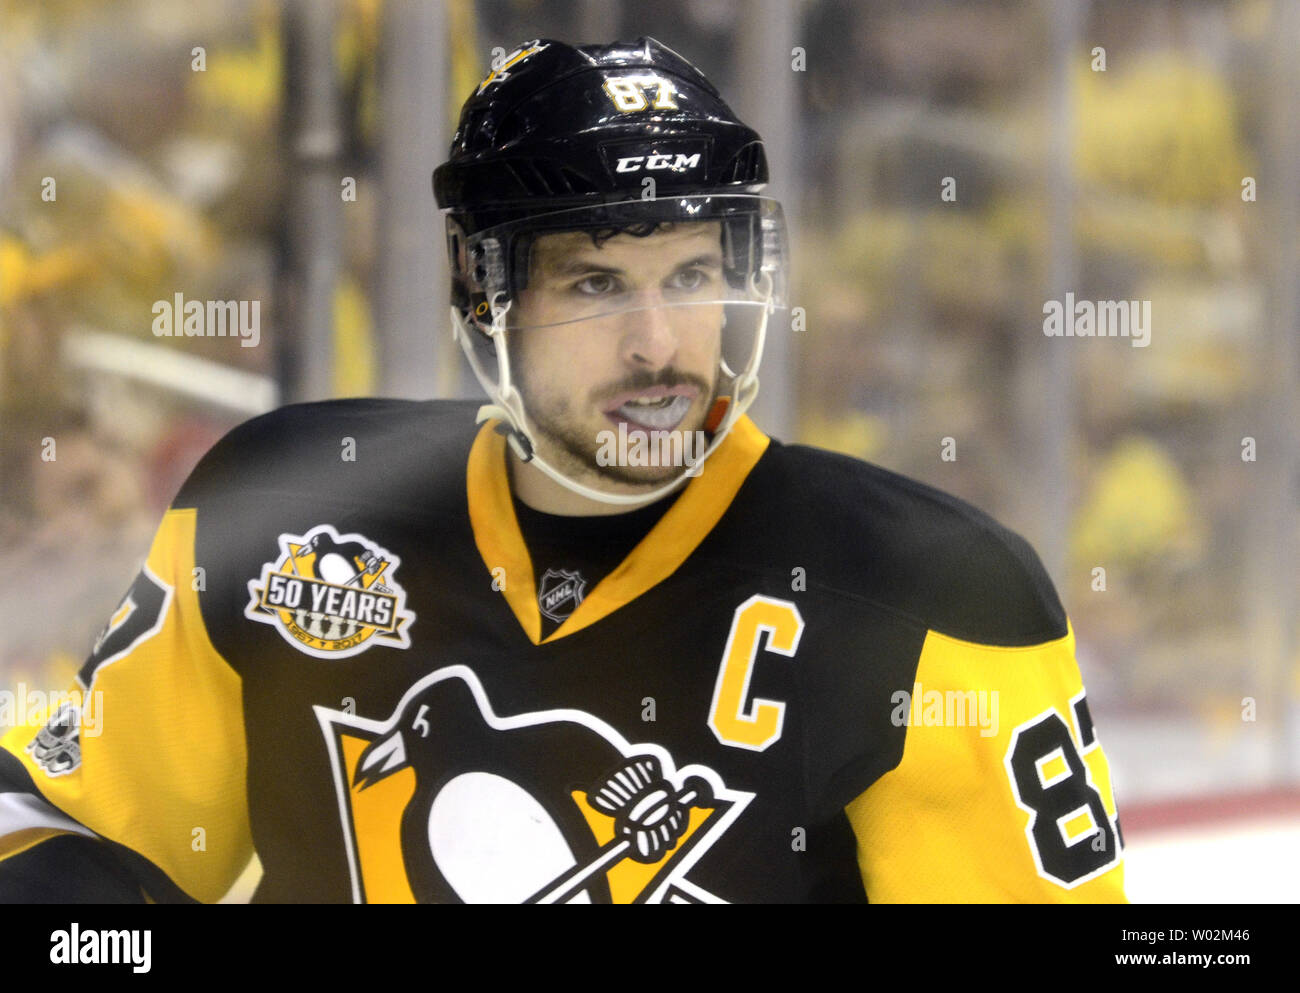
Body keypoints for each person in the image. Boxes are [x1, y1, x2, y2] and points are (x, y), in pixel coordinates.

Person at [0, 37, 1126, 903]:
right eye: (595, 285)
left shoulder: (927, 596)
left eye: (690, 276)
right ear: (486, 293)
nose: (656, 346)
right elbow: (83, 840)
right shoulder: (284, 507)